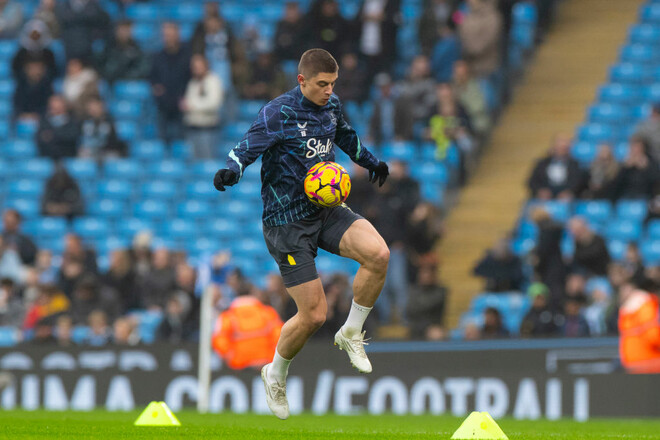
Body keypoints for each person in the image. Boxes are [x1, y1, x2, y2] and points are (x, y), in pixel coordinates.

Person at [213, 49, 390, 420]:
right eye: (322, 84)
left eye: (333, 84)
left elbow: (346, 136)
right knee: (313, 316)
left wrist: (370, 161)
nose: (328, 91)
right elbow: (246, 147)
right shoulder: (278, 113)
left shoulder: (331, 106)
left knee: (379, 254)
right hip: (286, 223)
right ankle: (275, 372)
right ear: (302, 81)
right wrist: (232, 169)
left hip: (325, 211)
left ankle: (353, 332)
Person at [212, 287, 283, 370]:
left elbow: (219, 340)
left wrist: (231, 358)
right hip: (265, 364)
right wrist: (272, 356)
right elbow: (280, 336)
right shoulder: (268, 313)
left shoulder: (227, 316)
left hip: (238, 366)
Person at [150, 22, 190, 146]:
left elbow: (190, 78)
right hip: (163, 105)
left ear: (177, 35)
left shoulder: (187, 55)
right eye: (165, 35)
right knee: (161, 142)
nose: (168, 38)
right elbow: (152, 77)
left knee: (181, 143)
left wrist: (185, 96)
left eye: (170, 34)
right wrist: (156, 87)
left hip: (182, 105)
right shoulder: (158, 56)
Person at [181, 54, 223, 159]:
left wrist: (192, 105)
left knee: (207, 159)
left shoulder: (213, 80)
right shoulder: (193, 82)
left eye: (199, 66)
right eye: (194, 67)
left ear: (206, 66)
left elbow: (213, 103)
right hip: (192, 127)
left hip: (207, 129)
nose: (196, 69)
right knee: (194, 161)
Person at [618, 281, 660, 373]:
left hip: (631, 361)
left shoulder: (628, 307)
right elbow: (653, 336)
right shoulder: (645, 304)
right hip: (648, 360)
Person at [528, 134, 583, 200]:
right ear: (554, 145)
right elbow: (532, 181)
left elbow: (578, 182)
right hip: (545, 196)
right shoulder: (542, 163)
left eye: (566, 144)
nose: (563, 146)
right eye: (560, 143)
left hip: (567, 197)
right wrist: (540, 191)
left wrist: (569, 192)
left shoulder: (575, 164)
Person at [457, 0, 502, 79]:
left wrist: (469, 49)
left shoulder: (492, 16)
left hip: (486, 69)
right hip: (470, 69)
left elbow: (487, 41)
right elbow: (461, 32)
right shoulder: (467, 14)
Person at [405, 263, 447, 339]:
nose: (425, 276)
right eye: (422, 273)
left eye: (427, 273)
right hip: (416, 328)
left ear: (433, 275)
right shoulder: (413, 291)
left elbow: (428, 304)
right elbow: (409, 310)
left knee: (437, 334)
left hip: (433, 326)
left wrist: (418, 305)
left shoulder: (441, 291)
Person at [36, 95, 81, 160]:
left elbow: (72, 137)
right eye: (51, 105)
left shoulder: (73, 121)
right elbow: (39, 138)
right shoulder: (44, 122)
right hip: (48, 157)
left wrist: (52, 135)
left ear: (64, 106)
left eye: (56, 104)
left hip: (68, 157)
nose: (53, 107)